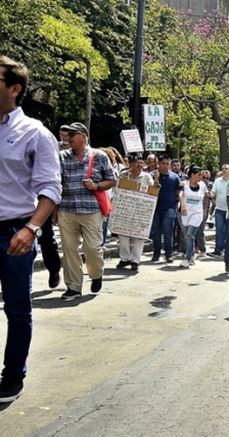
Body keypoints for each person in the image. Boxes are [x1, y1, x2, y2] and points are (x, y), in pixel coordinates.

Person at [0, 55, 62, 406]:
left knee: (17, 309)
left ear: (14, 88)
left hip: (14, 233)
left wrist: (32, 228)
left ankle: (12, 375)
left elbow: (50, 188)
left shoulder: (35, 134)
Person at [57, 122, 116, 300]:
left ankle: (96, 274)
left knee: (92, 248)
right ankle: (73, 287)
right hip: (67, 210)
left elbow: (112, 180)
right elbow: (56, 182)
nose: (68, 138)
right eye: (67, 135)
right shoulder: (62, 156)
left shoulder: (99, 156)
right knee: (69, 250)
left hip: (91, 211)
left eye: (72, 135)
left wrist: (97, 185)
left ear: (83, 136)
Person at [114, 156, 153, 271]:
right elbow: (118, 189)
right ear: (130, 164)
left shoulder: (147, 176)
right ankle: (125, 259)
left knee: (139, 237)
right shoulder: (124, 175)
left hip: (141, 211)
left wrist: (156, 184)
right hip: (126, 209)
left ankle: (135, 260)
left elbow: (152, 190)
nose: (139, 165)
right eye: (137, 163)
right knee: (123, 235)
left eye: (141, 163)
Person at [150, 156, 181, 264]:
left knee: (168, 232)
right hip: (155, 208)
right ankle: (156, 253)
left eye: (167, 164)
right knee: (156, 232)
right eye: (163, 163)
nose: (166, 166)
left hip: (170, 208)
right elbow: (149, 190)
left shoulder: (175, 177)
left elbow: (179, 191)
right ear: (159, 164)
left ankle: (169, 254)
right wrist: (156, 179)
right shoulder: (152, 176)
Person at [178, 166, 205, 268]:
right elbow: (180, 194)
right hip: (185, 213)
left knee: (190, 235)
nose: (200, 177)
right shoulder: (183, 183)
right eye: (199, 174)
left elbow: (208, 194)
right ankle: (192, 254)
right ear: (192, 175)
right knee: (188, 237)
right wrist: (183, 206)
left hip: (197, 214)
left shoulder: (202, 185)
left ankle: (187, 259)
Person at [210, 164, 229, 256]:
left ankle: (227, 249)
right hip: (219, 209)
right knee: (219, 229)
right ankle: (218, 250)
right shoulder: (217, 181)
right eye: (223, 169)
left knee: (227, 231)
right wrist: (210, 194)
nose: (224, 170)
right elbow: (213, 192)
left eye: (226, 169)